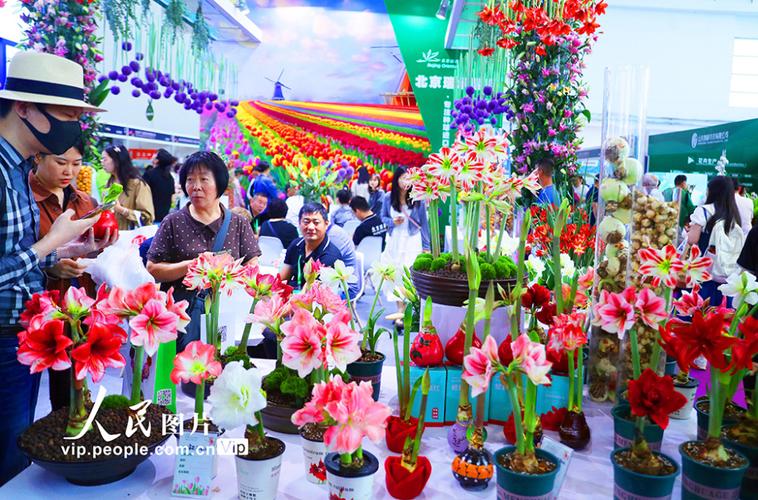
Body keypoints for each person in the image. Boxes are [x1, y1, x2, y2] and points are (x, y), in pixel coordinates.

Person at [0, 51, 115, 486]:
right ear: (24, 107)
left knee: (19, 451)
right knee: (10, 462)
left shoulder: (17, 172)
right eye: (65, 114)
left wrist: (60, 255)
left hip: (22, 336)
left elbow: (15, 252)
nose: (72, 127)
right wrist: (51, 241)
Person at [147, 151, 261, 352]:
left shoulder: (239, 223)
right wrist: (191, 265)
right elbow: (154, 268)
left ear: (220, 183)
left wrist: (229, 275)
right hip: (183, 316)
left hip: (226, 314)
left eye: (204, 179)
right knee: (184, 372)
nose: (196, 186)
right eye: (190, 180)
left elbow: (252, 267)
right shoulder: (173, 222)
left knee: (218, 367)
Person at [31, 139, 105, 412]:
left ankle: (74, 426)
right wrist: (50, 266)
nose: (69, 171)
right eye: (61, 162)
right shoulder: (25, 199)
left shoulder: (86, 201)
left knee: (78, 379)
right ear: (37, 157)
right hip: (40, 309)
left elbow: (96, 248)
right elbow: (17, 254)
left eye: (76, 164)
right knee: (51, 387)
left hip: (84, 304)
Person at [381, 167, 429, 328]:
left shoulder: (417, 198)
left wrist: (427, 246)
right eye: (403, 178)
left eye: (408, 178)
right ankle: (399, 312)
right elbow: (383, 217)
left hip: (412, 241)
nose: (406, 182)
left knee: (409, 274)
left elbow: (424, 224)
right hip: (395, 240)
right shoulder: (388, 197)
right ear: (396, 180)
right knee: (396, 275)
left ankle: (405, 312)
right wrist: (392, 222)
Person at [687, 176, 745, 307]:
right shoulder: (733, 214)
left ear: (711, 191)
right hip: (726, 274)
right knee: (720, 318)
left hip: (704, 273)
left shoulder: (703, 211)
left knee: (701, 314)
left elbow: (692, 239)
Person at [280, 203, 342, 290]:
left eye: (316, 223)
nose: (311, 227)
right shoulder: (296, 245)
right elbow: (283, 279)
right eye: (306, 222)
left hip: (314, 299)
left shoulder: (330, 255)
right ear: (299, 223)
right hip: (293, 293)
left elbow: (314, 291)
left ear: (326, 224)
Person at [102, 145, 155, 229]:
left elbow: (147, 217)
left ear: (116, 160)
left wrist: (121, 209)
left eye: (105, 159)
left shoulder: (137, 184)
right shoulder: (109, 183)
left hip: (130, 238)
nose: (102, 162)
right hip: (111, 236)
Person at [143, 148, 176, 222]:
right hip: (163, 218)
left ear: (157, 160)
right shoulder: (170, 178)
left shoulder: (149, 174)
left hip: (149, 217)